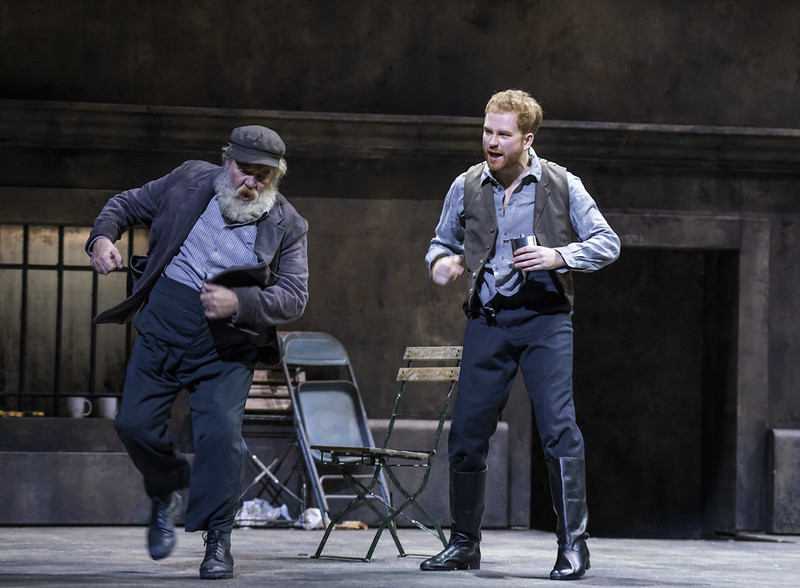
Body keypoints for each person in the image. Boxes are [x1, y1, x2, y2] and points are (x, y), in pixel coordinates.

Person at [86, 125, 309, 580]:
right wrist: (103, 238)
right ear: (227, 160)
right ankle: (166, 488)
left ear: (277, 176)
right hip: (164, 324)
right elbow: (126, 204)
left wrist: (241, 303)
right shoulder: (188, 179)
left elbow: (294, 296)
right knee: (132, 424)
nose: (250, 183)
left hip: (226, 346)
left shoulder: (289, 224)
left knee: (221, 438)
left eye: (262, 176)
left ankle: (218, 541)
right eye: (244, 171)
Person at [421, 90, 620, 580]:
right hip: (488, 320)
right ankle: (464, 543)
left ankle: (574, 545)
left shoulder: (559, 183)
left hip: (544, 320)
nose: (491, 141)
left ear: (526, 139)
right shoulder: (466, 185)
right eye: (487, 131)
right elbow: (440, 242)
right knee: (466, 435)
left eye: (503, 134)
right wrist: (440, 264)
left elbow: (606, 242)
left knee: (558, 429)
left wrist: (558, 257)